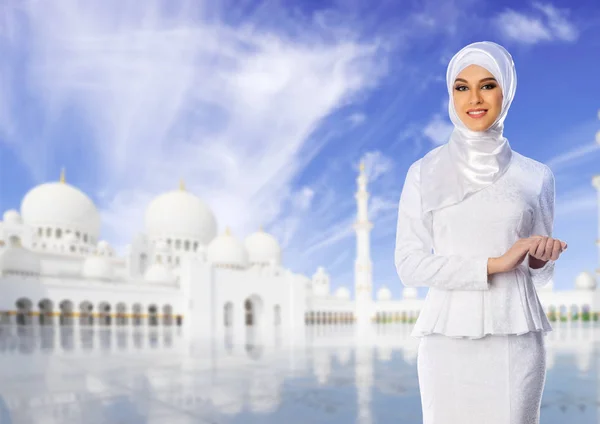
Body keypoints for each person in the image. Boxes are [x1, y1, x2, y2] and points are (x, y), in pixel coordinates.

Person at [394, 41, 567, 424]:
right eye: (461, 87)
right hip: (446, 340)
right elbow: (409, 265)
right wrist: (493, 263)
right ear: (450, 94)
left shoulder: (536, 176)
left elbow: (541, 274)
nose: (474, 98)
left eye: (487, 85)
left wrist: (538, 259)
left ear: (506, 90)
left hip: (515, 336)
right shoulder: (424, 171)